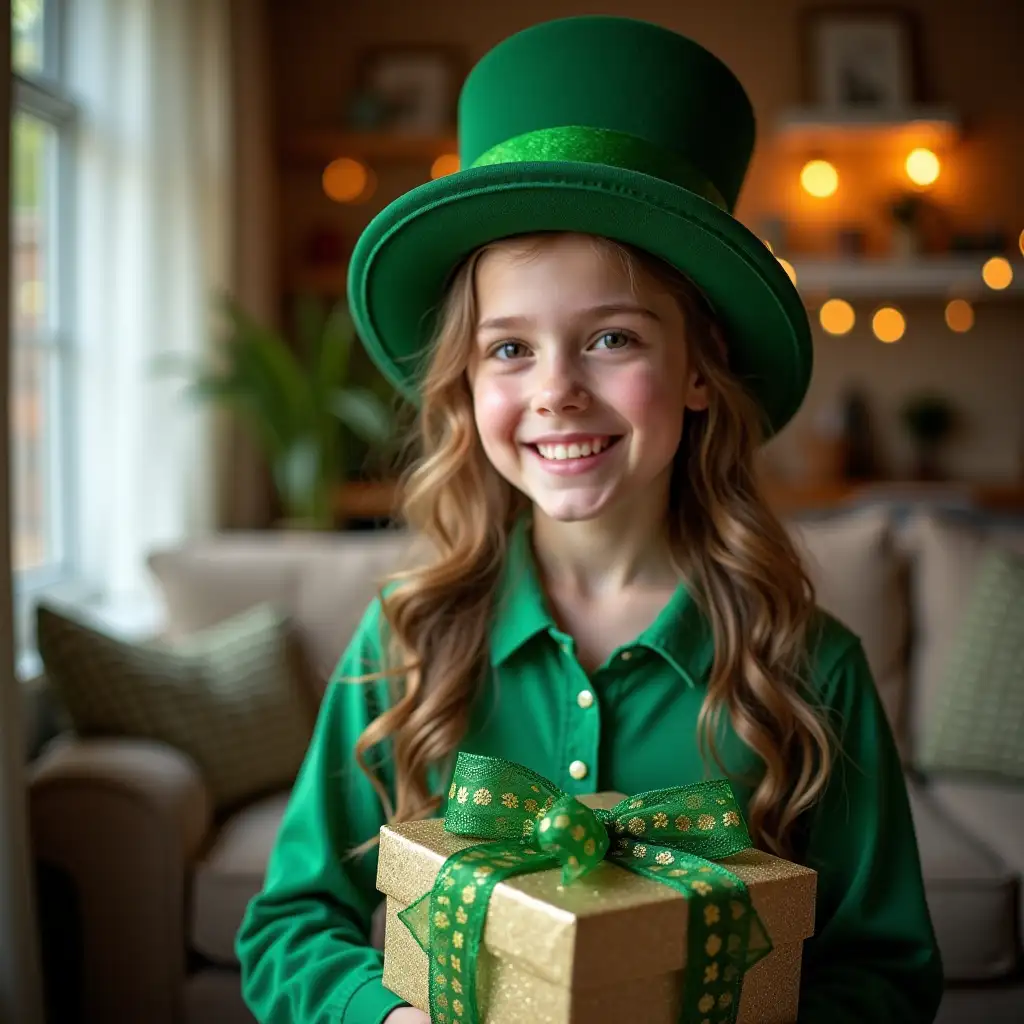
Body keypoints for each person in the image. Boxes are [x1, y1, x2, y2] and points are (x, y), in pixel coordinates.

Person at [236, 15, 943, 1024]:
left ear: (700, 369)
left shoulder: (807, 664)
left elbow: (885, 972)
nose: (556, 391)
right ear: (465, 382)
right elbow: (290, 924)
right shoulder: (403, 639)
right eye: (510, 349)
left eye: (610, 337)